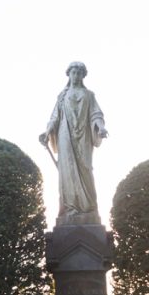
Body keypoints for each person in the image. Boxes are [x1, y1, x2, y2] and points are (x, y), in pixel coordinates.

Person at [39, 61, 108, 225]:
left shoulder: (89, 95)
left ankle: (89, 208)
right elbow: (54, 117)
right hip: (65, 134)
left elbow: (96, 114)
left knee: (86, 169)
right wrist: (47, 132)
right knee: (68, 171)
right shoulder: (62, 96)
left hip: (83, 135)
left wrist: (100, 128)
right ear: (69, 75)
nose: (76, 76)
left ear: (83, 76)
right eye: (73, 73)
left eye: (79, 73)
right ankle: (70, 208)